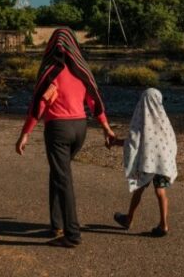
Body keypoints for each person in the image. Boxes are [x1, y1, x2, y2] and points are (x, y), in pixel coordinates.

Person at [15, 28, 115, 248]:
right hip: (80, 128)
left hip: (58, 129)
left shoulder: (50, 71)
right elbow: (94, 101)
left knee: (63, 178)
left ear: (51, 45)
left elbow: (38, 105)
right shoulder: (82, 70)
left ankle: (72, 234)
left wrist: (25, 134)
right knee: (59, 173)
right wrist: (106, 128)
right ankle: (56, 224)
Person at [110, 88, 177, 237]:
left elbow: (133, 141)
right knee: (160, 191)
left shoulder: (142, 121)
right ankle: (163, 224)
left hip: (147, 162)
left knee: (139, 188)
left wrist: (115, 142)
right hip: (162, 162)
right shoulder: (163, 120)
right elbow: (172, 142)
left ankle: (129, 218)